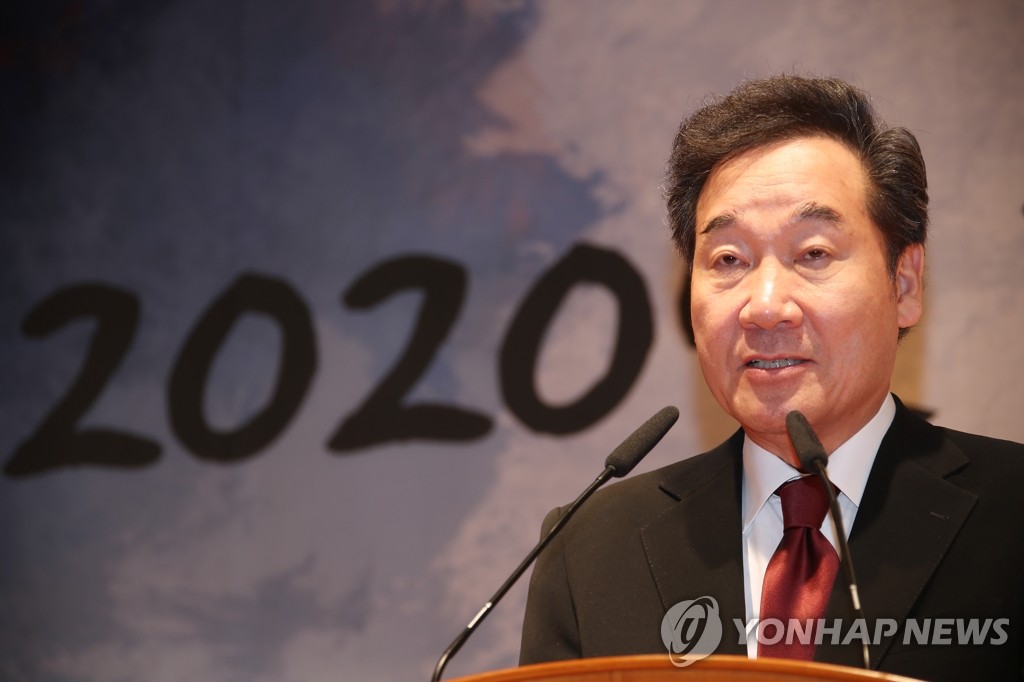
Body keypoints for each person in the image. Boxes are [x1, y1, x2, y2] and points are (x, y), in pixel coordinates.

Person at [519, 75, 1024, 681]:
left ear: (905, 284)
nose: (763, 307)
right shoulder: (590, 549)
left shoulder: (1011, 512)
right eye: (728, 259)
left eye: (813, 254)